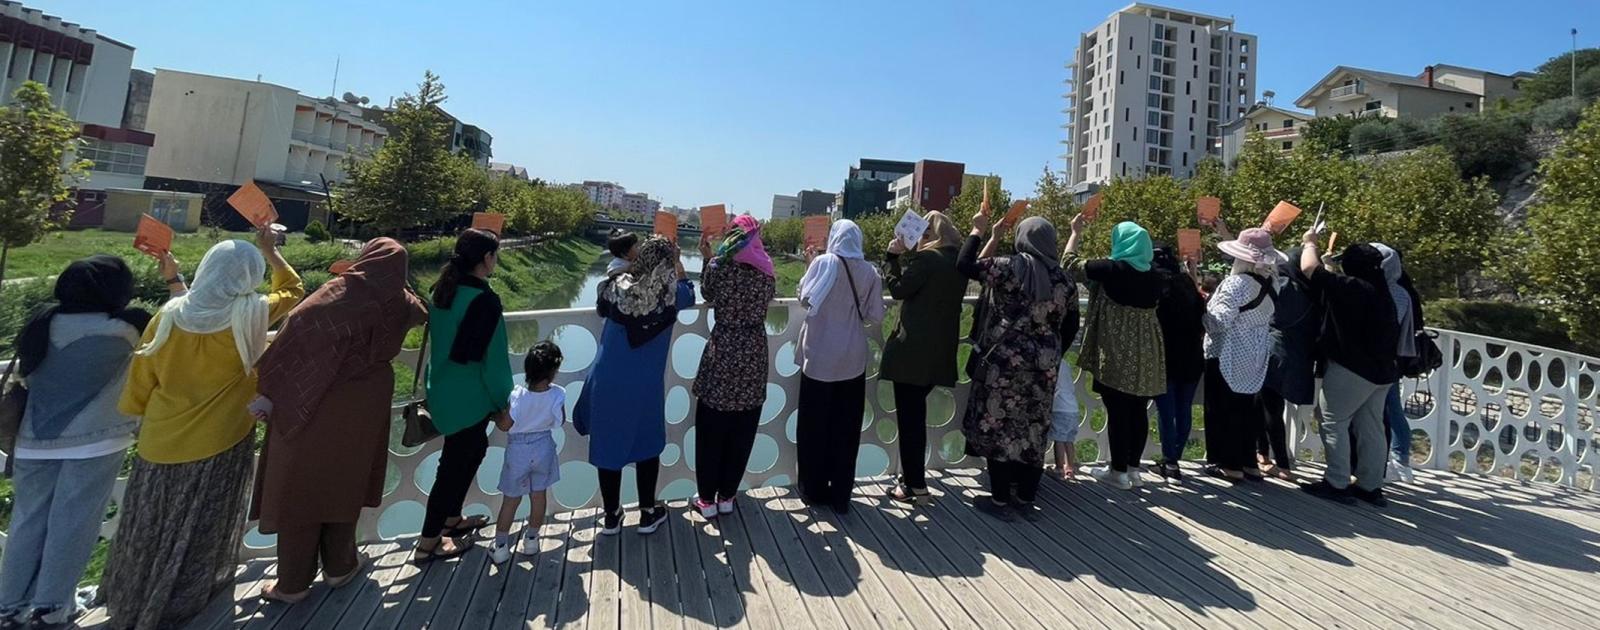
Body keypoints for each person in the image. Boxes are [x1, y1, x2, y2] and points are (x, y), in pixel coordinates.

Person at [103, 229, 304, 630]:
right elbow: (295, 290)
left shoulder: (169, 315)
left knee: (149, 526)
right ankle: (184, 598)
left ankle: (132, 595)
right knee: (201, 526)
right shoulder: (252, 313)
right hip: (221, 439)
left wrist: (173, 278)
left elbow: (141, 383)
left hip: (160, 442)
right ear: (249, 275)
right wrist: (271, 251)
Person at [248, 238, 427, 601]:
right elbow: (422, 311)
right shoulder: (400, 301)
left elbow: (299, 322)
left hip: (322, 400)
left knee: (300, 485)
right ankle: (340, 566)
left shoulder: (342, 290)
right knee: (347, 482)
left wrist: (271, 387)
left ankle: (292, 583)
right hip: (368, 401)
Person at [0, 255, 164, 628]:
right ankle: (52, 606)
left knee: (27, 521)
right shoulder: (126, 330)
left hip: (32, 439)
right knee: (73, 523)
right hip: (95, 441)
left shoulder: (41, 324)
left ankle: (9, 605)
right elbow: (174, 321)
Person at [958, 213, 1076, 519]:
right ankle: (1025, 498)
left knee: (999, 426)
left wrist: (979, 231)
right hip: (1044, 366)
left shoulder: (1008, 267)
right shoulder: (1064, 279)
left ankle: (999, 501)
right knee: (1033, 429)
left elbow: (964, 265)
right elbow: (1072, 324)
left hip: (1004, 364)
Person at [574, 236, 695, 534]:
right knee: (647, 445)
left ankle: (612, 516)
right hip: (644, 385)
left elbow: (601, 307)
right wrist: (678, 262)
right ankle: (647, 512)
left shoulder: (617, 287)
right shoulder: (672, 294)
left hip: (607, 378)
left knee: (608, 444)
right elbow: (689, 291)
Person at [415, 228, 514, 562]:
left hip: (443, 391)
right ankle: (428, 543)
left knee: (471, 453)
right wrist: (503, 403)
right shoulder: (484, 301)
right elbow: (494, 361)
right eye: (494, 254)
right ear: (486, 259)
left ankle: (452, 520)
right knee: (453, 469)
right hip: (471, 399)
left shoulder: (443, 290)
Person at [1298, 232, 1400, 507]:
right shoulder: (1380, 291)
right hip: (1383, 372)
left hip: (1352, 369)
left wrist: (1310, 242)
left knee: (1333, 421)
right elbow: (1336, 284)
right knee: (1372, 428)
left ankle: (1337, 481)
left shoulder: (1353, 288)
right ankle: (1370, 486)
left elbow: (1309, 269)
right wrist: (1330, 265)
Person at [1067, 219, 1165, 490]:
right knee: (1138, 409)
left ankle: (1118, 471)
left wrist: (1075, 232)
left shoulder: (1111, 269)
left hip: (1116, 348)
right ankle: (1134, 468)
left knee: (1118, 409)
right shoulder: (1155, 275)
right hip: (1146, 349)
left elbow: (1070, 264)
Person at [795, 220, 885, 513]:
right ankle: (841, 494)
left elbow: (803, 296)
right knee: (846, 430)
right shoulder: (870, 271)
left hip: (819, 357)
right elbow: (875, 315)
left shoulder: (823, 262)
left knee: (813, 427)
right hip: (852, 359)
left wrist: (810, 262)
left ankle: (813, 489)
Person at [878, 210, 968, 503]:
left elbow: (899, 289)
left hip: (912, 352)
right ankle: (913, 479)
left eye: (923, 234)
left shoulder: (927, 260)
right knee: (916, 415)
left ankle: (915, 485)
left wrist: (891, 258)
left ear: (932, 236)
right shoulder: (957, 262)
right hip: (939, 352)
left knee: (910, 419)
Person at [691, 215, 776, 518]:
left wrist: (707, 257)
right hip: (753, 352)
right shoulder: (766, 270)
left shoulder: (719, 267)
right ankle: (727, 496)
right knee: (743, 428)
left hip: (724, 349)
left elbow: (707, 293)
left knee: (711, 428)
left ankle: (706, 500)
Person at [1201, 228, 1281, 482]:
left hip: (1228, 351)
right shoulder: (1272, 284)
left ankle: (1229, 464)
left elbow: (1220, 321)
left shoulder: (1237, 283)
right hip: (1256, 352)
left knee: (1222, 409)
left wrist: (1202, 311)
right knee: (1247, 410)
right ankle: (1250, 463)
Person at [489, 342, 565, 564]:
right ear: (553, 373)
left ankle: (501, 546)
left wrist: (496, 415)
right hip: (544, 447)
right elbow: (558, 420)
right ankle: (531, 540)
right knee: (538, 495)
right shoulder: (558, 394)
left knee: (511, 500)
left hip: (519, 450)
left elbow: (505, 425)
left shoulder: (518, 395)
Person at [1258, 245, 1322, 481]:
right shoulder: (1313, 292)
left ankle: (1276, 461)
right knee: (1277, 410)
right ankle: (1275, 460)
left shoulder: (1283, 286)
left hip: (1274, 353)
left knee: (1268, 410)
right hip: (1300, 357)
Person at [1150, 244, 1205, 480]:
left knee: (1166, 410)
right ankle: (1176, 458)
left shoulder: (1156, 286)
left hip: (1166, 356)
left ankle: (1169, 461)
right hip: (1192, 356)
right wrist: (1192, 271)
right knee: (1184, 410)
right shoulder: (1186, 285)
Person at [1375, 243, 1424, 483]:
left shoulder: (1386, 290)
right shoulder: (1406, 289)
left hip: (1383, 357)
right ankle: (1400, 459)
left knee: (1387, 410)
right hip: (1397, 357)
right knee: (1393, 408)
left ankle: (1394, 460)